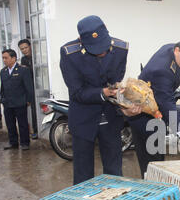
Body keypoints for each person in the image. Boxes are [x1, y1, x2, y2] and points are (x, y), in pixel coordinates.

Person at [59, 15, 142, 185]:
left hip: (111, 117)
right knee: (83, 175)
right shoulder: (70, 54)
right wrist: (103, 92)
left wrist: (125, 104)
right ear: (81, 40)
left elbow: (116, 82)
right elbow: (77, 93)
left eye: (103, 47)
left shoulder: (120, 49)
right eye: (95, 48)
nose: (102, 52)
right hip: (83, 119)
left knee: (114, 172)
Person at [126, 32, 180, 178]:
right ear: (178, 51)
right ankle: (151, 195)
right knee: (151, 167)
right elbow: (167, 105)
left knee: (159, 162)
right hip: (143, 118)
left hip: (158, 112)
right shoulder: (161, 70)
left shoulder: (174, 51)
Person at [0, 49, 34, 150]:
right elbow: (3, 88)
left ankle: (25, 143)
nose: (4, 60)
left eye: (6, 58)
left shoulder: (23, 70)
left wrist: (28, 100)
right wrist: (3, 99)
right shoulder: (3, 71)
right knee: (10, 124)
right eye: (3, 58)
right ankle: (13, 142)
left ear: (13, 58)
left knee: (22, 124)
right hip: (8, 103)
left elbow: (29, 87)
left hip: (20, 102)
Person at [18, 39, 38, 139]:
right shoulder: (23, 59)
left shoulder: (37, 56)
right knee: (33, 110)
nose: (24, 50)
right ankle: (36, 130)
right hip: (31, 87)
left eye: (26, 47)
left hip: (41, 85)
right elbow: (26, 74)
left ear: (30, 46)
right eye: (22, 49)